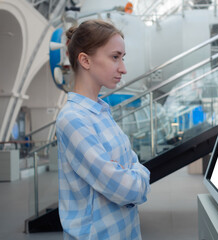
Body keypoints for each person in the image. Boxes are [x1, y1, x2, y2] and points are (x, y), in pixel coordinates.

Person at [56, 19, 150, 240]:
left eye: (122, 58)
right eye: (115, 57)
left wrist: (131, 172)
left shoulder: (101, 111)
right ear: (85, 60)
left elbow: (132, 165)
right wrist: (136, 176)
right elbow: (123, 187)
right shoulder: (72, 119)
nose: (123, 68)